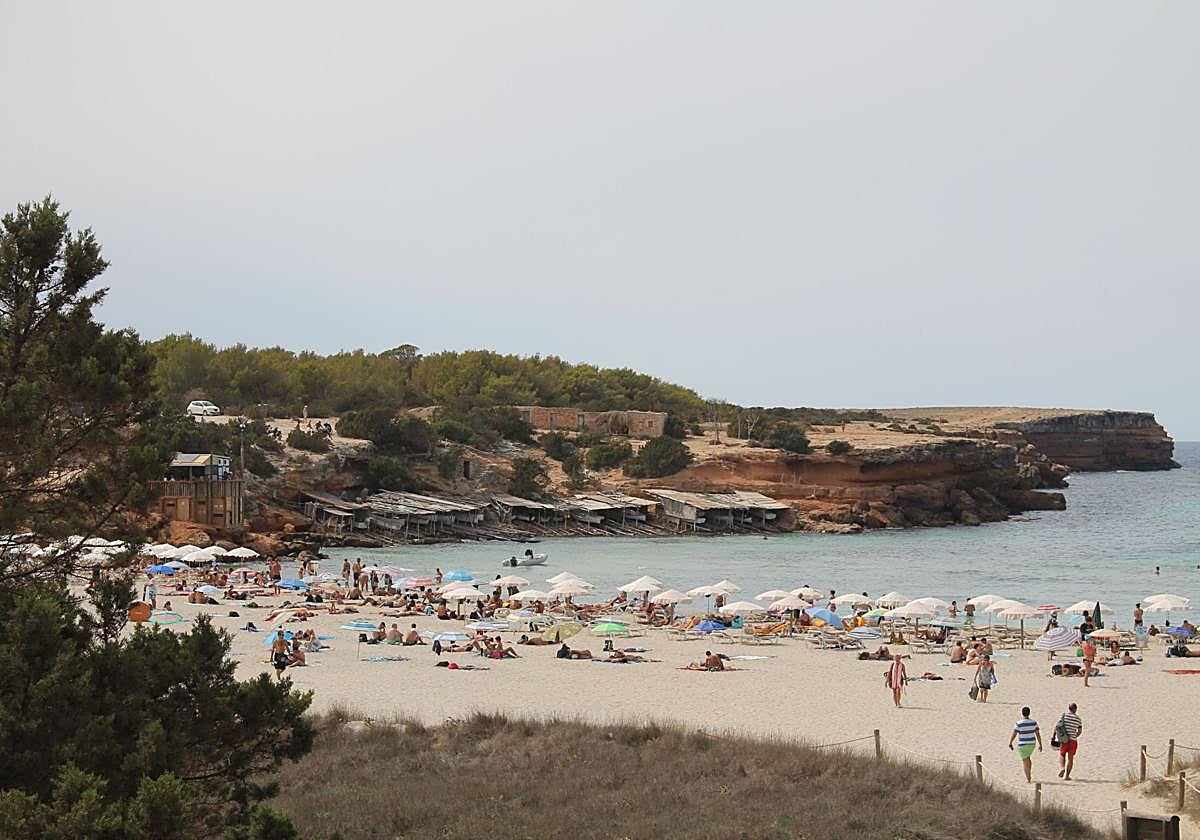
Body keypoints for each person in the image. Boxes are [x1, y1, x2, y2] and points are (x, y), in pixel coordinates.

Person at [1008, 707, 1043, 783]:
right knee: (1028, 759)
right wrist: (1040, 744)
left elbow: (1014, 733)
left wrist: (1010, 742)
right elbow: (1037, 734)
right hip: (1032, 744)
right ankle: (1029, 774)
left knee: (1025, 761)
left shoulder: (1019, 723)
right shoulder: (1034, 722)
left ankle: (1028, 778)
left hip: (1023, 744)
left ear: (1022, 713)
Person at [1056, 703, 1083, 780]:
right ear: (1075, 709)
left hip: (1064, 739)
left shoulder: (1064, 716)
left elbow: (1058, 726)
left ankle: (1062, 768)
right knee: (1070, 758)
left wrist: (1054, 736)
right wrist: (1075, 736)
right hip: (1073, 741)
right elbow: (1080, 731)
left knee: (1062, 754)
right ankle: (1067, 776)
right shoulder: (1078, 719)